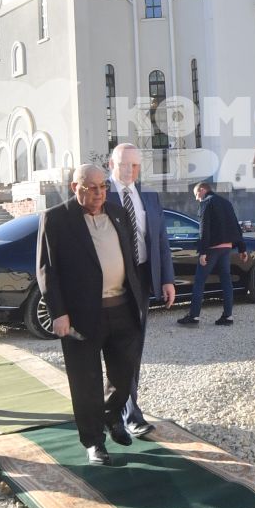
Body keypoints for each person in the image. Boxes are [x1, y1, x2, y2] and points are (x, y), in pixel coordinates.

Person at [36, 165, 144, 466]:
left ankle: (111, 417)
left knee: (124, 375)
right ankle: (93, 441)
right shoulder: (56, 218)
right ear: (75, 187)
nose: (99, 193)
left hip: (122, 307)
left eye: (102, 187)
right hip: (81, 315)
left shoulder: (117, 212)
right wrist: (58, 313)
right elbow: (47, 270)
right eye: (91, 187)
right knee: (86, 382)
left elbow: (130, 256)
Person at [104, 143, 172, 437]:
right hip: (112, 282)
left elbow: (160, 242)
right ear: (111, 165)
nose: (129, 170)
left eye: (134, 165)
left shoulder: (150, 198)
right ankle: (123, 411)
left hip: (142, 279)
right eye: (123, 164)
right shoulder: (99, 195)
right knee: (118, 347)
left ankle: (127, 409)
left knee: (134, 347)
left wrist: (167, 279)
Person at [177, 180, 241, 327]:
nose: (196, 198)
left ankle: (193, 317)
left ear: (202, 190)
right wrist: (242, 248)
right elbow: (235, 225)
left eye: (196, 195)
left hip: (212, 249)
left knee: (199, 281)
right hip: (226, 248)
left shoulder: (207, 202)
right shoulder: (226, 203)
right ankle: (228, 316)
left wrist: (203, 251)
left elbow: (204, 228)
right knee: (226, 281)